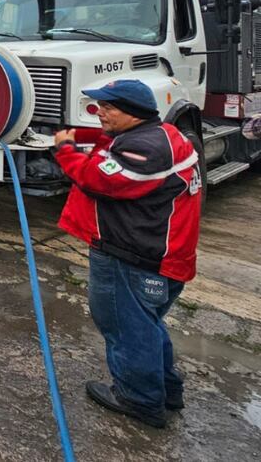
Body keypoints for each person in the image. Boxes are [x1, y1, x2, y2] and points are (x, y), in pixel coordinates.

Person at [52, 79, 201, 429]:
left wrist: (65, 149)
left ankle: (139, 400)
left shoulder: (145, 149)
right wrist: (85, 137)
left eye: (108, 107)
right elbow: (109, 149)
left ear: (133, 112)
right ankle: (165, 389)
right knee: (146, 325)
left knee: (125, 327)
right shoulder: (162, 134)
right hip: (159, 257)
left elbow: (95, 177)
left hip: (134, 258)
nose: (99, 112)